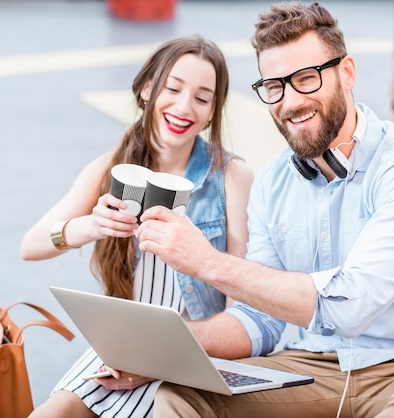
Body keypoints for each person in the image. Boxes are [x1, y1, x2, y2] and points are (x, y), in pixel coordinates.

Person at [136, 3, 394, 417]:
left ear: (347, 72)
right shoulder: (272, 183)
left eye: (305, 78)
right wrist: (159, 350)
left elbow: (351, 306)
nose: (291, 101)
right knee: (180, 393)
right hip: (309, 369)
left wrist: (206, 262)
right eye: (275, 87)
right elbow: (257, 321)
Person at [20, 35, 254, 418]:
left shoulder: (231, 175)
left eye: (201, 97)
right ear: (147, 89)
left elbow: (240, 301)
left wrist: (163, 360)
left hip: (194, 359)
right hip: (123, 353)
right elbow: (30, 246)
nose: (183, 106)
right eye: (172, 88)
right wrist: (90, 225)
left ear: (213, 111)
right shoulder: (110, 167)